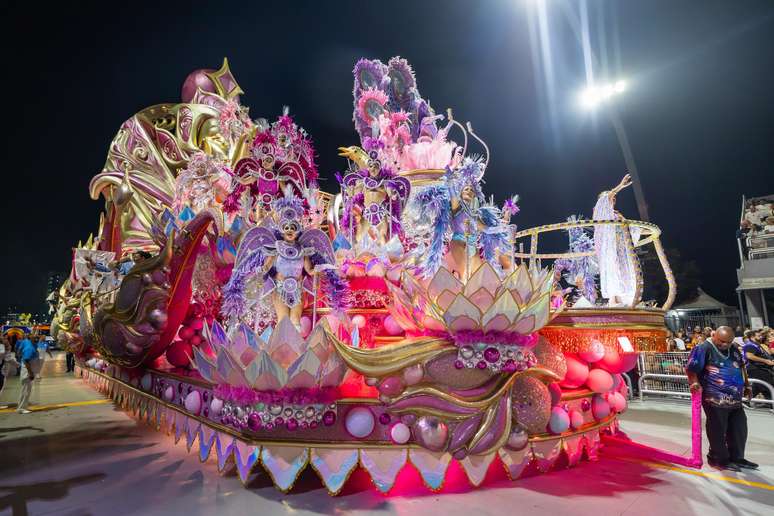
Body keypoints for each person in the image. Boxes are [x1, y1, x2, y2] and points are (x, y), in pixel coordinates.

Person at [686, 326, 757, 471]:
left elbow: (742, 367)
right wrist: (694, 382)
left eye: (728, 342)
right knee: (717, 429)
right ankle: (719, 459)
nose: (725, 345)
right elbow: (691, 368)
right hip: (714, 398)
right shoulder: (703, 348)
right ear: (714, 336)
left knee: (739, 427)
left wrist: (748, 386)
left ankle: (737, 457)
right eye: (721, 341)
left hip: (735, 398)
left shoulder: (734, 348)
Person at [742, 330, 774, 401]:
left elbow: (764, 355)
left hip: (761, 368)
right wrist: (766, 361)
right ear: (752, 337)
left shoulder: (757, 345)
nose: (761, 337)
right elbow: (749, 356)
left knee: (760, 386)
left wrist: (770, 360)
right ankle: (771, 400)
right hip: (755, 369)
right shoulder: (750, 345)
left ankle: (745, 400)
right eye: (758, 336)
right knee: (768, 384)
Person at [16, 334, 40, 413]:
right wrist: (30, 373)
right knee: (26, 390)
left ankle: (22, 407)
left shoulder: (29, 343)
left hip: (28, 370)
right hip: (27, 372)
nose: (37, 338)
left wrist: (19, 356)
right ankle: (21, 408)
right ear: (30, 338)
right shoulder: (29, 348)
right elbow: (26, 361)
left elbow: (19, 351)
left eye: (37, 337)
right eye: (35, 337)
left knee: (26, 390)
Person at [0, 336, 20, 409]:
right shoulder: (3, 348)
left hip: (3, 370)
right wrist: (18, 365)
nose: (6, 340)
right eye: (4, 339)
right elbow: (8, 358)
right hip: (2, 371)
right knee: (1, 385)